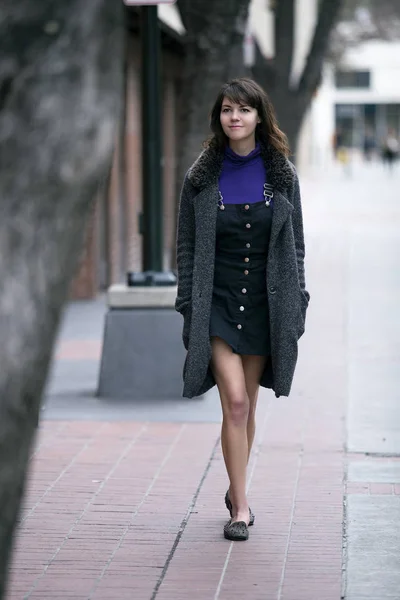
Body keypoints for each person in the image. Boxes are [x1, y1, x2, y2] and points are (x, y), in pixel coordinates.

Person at [175, 78, 310, 542]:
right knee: (233, 400)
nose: (236, 117)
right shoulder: (200, 178)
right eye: (228, 109)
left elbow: (296, 249)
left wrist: (300, 300)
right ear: (219, 118)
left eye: (244, 109)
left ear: (259, 117)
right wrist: (188, 306)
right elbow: (187, 247)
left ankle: (235, 490)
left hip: (264, 305)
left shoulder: (283, 175)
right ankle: (242, 507)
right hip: (215, 300)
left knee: (246, 406)